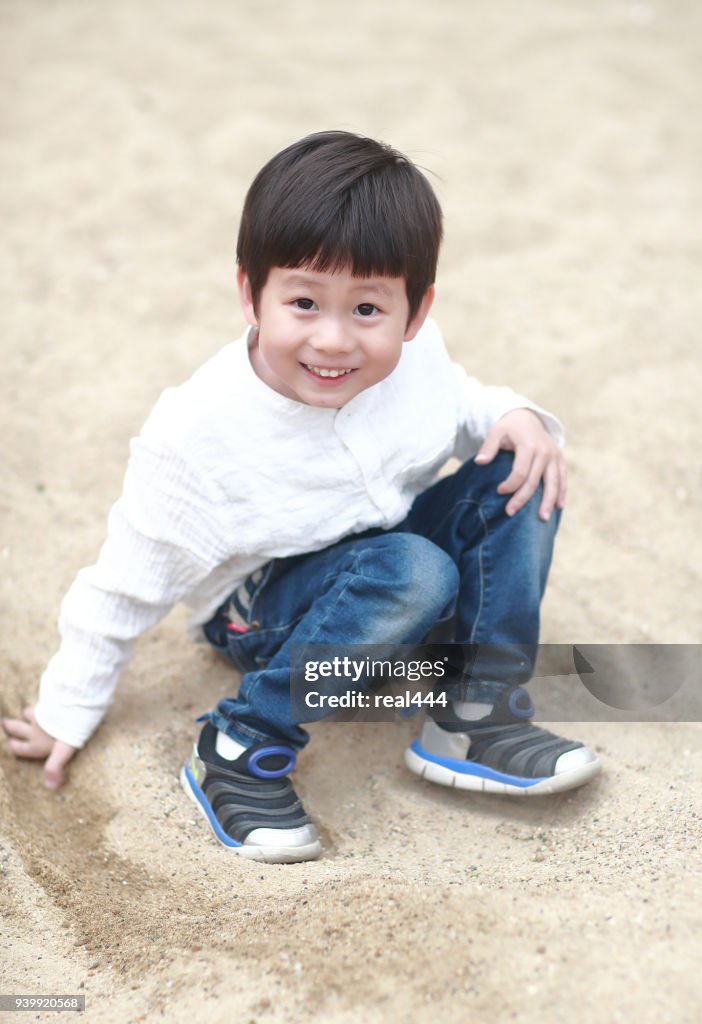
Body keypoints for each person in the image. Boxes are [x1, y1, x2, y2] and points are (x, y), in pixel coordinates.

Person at [2, 131, 600, 863]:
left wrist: (515, 416)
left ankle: (475, 716)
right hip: (262, 611)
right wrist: (69, 708)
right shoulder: (199, 433)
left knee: (525, 467)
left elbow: (464, 402)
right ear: (251, 294)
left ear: (415, 314)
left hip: (388, 559)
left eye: (368, 311)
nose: (334, 340)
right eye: (305, 302)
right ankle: (239, 743)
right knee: (412, 570)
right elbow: (126, 583)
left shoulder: (419, 360)